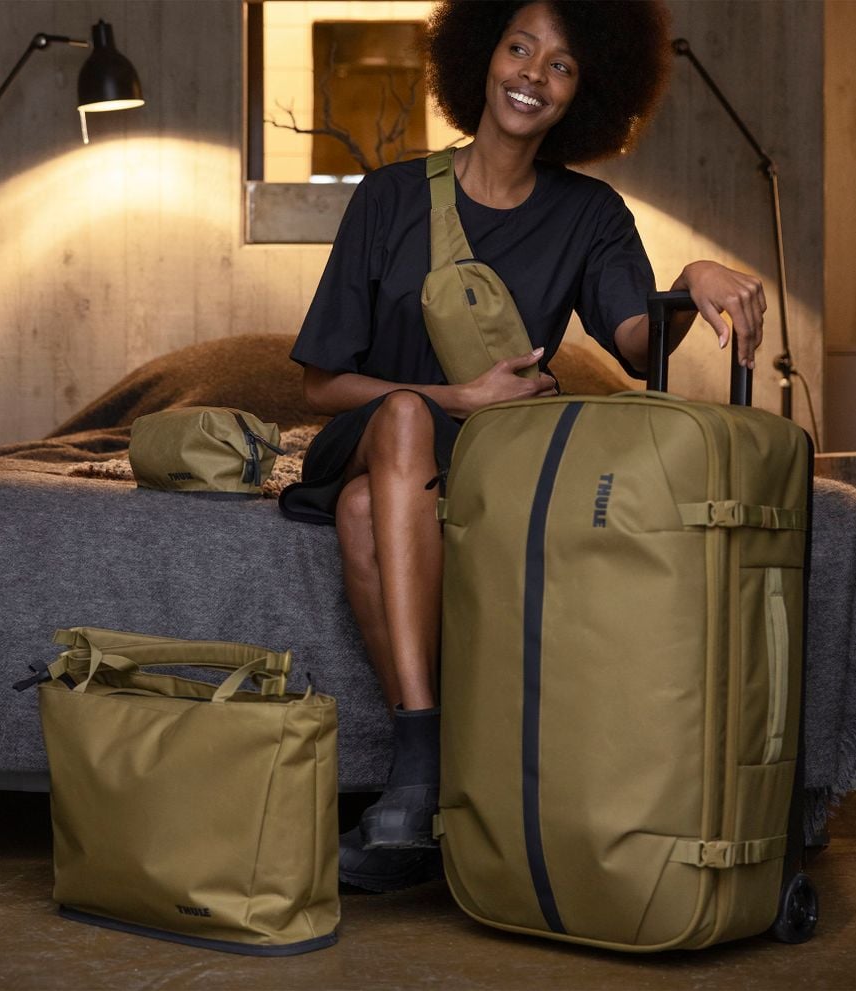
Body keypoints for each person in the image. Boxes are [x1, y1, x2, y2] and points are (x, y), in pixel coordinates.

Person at [279, 0, 766, 892]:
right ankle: (428, 768)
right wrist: (452, 394)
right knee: (397, 422)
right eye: (518, 47)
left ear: (585, 93)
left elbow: (633, 347)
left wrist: (690, 276)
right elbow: (318, 385)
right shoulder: (389, 197)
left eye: (562, 65)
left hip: (490, 456)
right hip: (374, 430)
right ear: (480, 57)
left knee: (361, 515)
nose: (532, 75)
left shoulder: (589, 215)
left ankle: (417, 792)